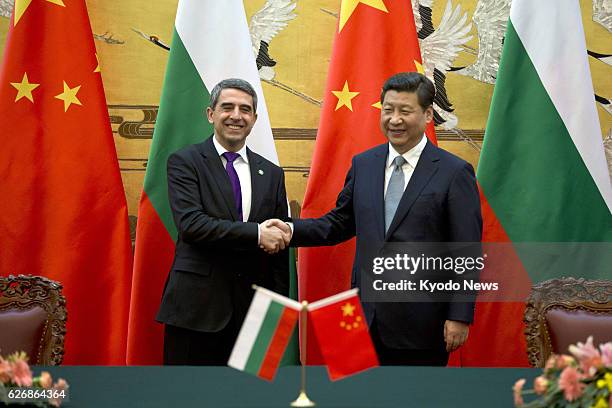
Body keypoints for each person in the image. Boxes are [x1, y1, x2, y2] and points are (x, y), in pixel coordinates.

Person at [267, 72, 482, 366]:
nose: (395, 119)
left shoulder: (454, 172)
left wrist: (459, 316)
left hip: (422, 323)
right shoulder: (364, 164)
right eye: (388, 110)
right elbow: (338, 224)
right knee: (356, 398)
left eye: (405, 111)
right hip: (360, 316)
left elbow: (466, 250)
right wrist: (291, 230)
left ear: (428, 114)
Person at [157, 78, 290, 365]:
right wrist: (256, 234)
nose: (236, 116)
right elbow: (192, 225)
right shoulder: (185, 162)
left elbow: (279, 246)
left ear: (254, 118)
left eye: (245, 109)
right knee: (189, 396)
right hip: (196, 310)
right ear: (211, 114)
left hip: (254, 313)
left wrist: (277, 310)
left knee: (250, 399)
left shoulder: (272, 173)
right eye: (227, 107)